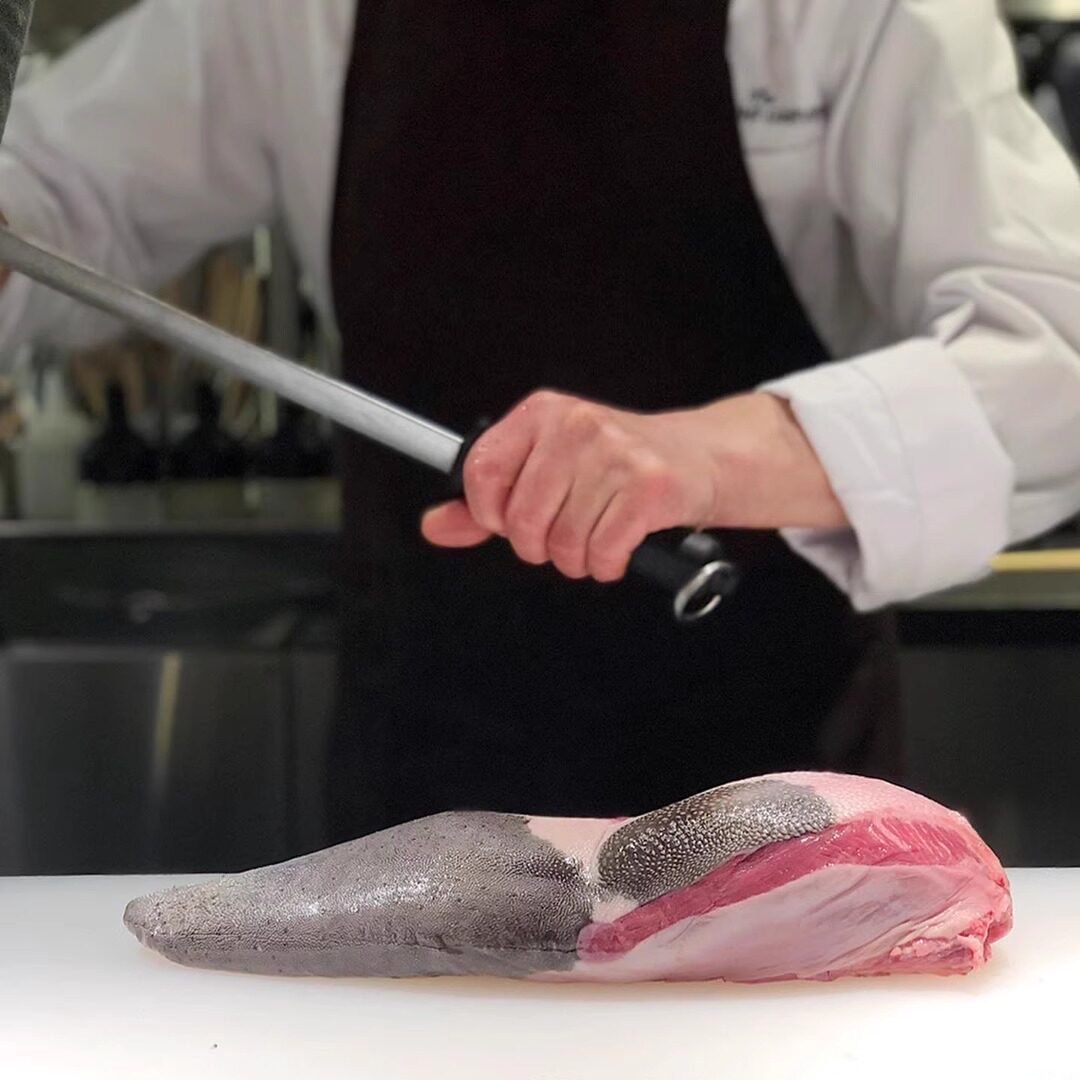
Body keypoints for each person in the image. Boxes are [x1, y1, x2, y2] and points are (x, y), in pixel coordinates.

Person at [1, 0, 1080, 842]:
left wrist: (705, 454)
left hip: (769, 783)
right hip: (426, 769)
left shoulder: (858, 15)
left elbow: (1054, 349)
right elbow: (52, 192)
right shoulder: (281, 16)